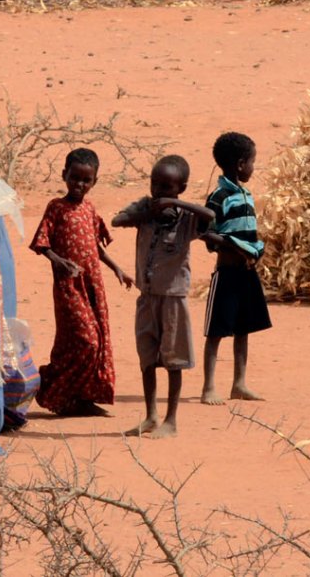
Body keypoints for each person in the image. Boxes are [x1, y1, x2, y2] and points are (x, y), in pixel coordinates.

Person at [112, 155, 215, 438]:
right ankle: (150, 416)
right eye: (155, 184)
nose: (158, 191)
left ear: (181, 188)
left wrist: (176, 205)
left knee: (174, 359)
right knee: (147, 356)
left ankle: (171, 419)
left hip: (173, 299)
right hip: (146, 297)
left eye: (167, 188)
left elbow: (211, 217)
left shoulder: (186, 219)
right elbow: (118, 219)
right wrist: (150, 213)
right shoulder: (145, 208)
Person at [28, 148, 132, 417]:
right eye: (75, 178)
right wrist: (57, 260)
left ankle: (80, 398)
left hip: (93, 285)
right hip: (69, 286)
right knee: (86, 341)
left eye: (86, 180)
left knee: (97, 339)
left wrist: (118, 269)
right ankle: (51, 387)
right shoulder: (56, 207)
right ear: (64, 175)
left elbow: (96, 247)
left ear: (94, 182)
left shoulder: (89, 208)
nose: (79, 185)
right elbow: (41, 243)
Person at [201, 131, 272, 405]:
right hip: (227, 274)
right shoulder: (218, 197)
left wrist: (252, 251)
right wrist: (234, 246)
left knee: (243, 328)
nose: (254, 167)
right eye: (252, 162)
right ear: (241, 164)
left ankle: (239, 383)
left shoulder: (246, 195)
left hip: (246, 272)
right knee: (217, 330)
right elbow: (208, 235)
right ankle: (209, 387)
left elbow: (249, 233)